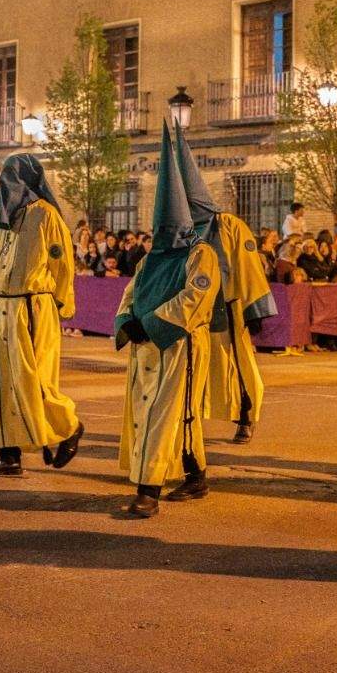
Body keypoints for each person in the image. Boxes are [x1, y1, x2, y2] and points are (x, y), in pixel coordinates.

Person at [114, 124, 221, 518]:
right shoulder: (149, 259)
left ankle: (149, 490)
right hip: (146, 347)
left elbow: (195, 297)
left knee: (167, 412)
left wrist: (154, 324)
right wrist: (126, 320)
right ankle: (195, 473)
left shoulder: (200, 256)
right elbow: (130, 290)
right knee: (153, 411)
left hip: (180, 344)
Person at [0, 153, 82, 477]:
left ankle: (70, 426)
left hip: (33, 307)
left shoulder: (45, 216)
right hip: (3, 306)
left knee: (32, 382)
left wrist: (60, 304)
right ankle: (9, 455)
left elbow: (62, 264)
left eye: (11, 177)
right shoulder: (9, 219)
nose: (5, 184)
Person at [173, 123, 276, 443]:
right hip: (195, 314)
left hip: (228, 310)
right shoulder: (179, 231)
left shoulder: (227, 224)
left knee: (238, 365)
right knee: (194, 368)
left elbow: (247, 266)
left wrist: (255, 308)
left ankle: (246, 415)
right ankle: (192, 419)